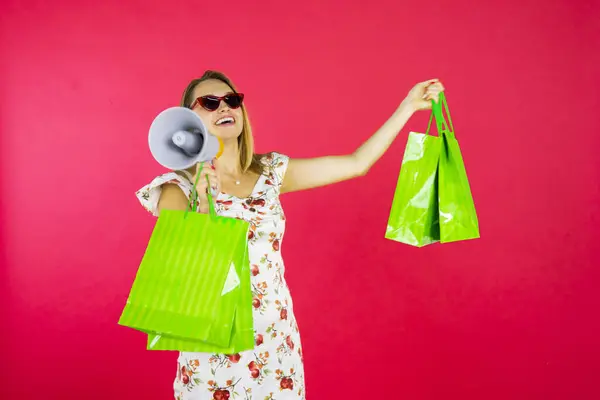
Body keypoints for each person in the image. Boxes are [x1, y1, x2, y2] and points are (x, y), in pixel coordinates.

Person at [135, 70, 445, 399]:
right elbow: (176, 266)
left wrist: (407, 107)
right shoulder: (177, 188)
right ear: (187, 119)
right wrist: (201, 207)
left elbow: (356, 163)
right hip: (212, 356)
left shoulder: (270, 172)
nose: (225, 108)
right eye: (210, 102)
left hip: (276, 350)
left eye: (232, 100)